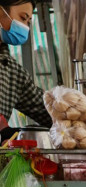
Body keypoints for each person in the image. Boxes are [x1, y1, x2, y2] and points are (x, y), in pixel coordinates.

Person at [0, 0, 51, 142]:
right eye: (23, 18)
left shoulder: (11, 71)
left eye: (28, 21)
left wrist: (75, 113)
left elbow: (45, 109)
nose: (25, 26)